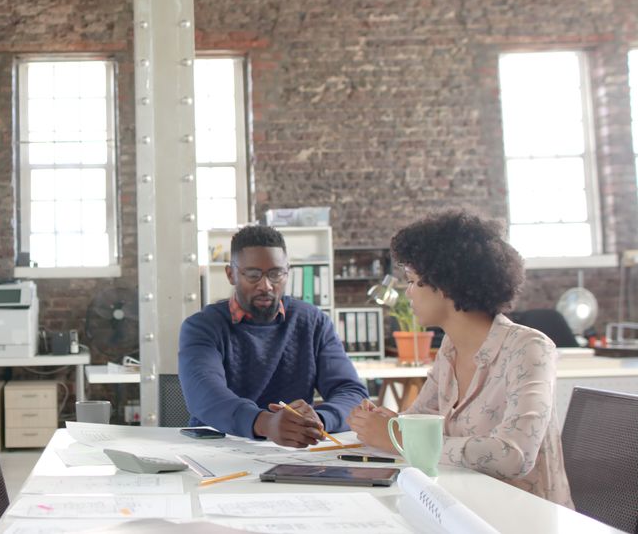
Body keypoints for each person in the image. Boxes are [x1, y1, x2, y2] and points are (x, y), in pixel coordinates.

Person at [347, 211, 573, 507]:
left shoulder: (529, 348)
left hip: (525, 515)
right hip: (463, 507)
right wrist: (387, 423)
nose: (408, 293)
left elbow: (515, 455)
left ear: (446, 285)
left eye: (413, 281)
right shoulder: (450, 350)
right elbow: (419, 421)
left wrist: (398, 439)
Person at [179, 225, 368, 447]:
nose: (266, 285)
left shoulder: (313, 321)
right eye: (253, 275)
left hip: (293, 449)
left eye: (276, 274)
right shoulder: (202, 327)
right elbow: (205, 396)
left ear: (287, 272)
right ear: (231, 274)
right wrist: (265, 423)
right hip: (216, 448)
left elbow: (352, 392)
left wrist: (319, 420)